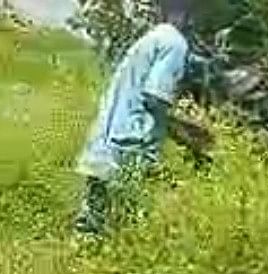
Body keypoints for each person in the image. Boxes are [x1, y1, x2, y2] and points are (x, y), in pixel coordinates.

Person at [73, 0, 210, 236]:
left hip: (103, 149)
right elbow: (155, 97)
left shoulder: (150, 40)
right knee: (131, 233)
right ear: (190, 13)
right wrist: (191, 135)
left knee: (92, 234)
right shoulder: (175, 44)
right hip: (129, 151)